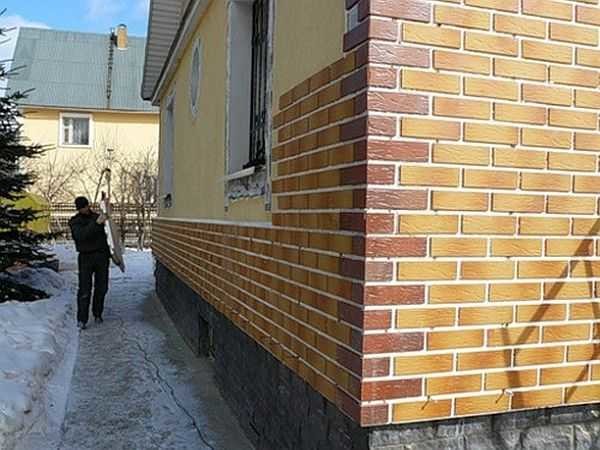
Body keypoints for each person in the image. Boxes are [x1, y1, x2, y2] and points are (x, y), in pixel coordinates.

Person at [69, 196, 110, 330]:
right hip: (85, 257)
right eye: (81, 208)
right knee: (84, 289)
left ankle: (97, 313)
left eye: (85, 206)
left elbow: (108, 235)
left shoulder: (97, 217)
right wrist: (96, 224)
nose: (84, 209)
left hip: (101, 256)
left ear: (88, 205)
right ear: (78, 209)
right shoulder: (75, 222)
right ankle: (82, 319)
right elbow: (81, 236)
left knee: (102, 287)